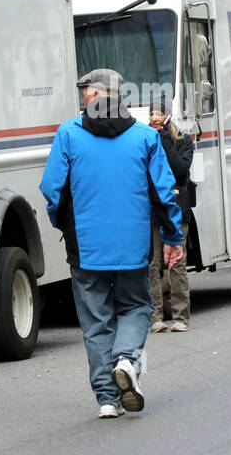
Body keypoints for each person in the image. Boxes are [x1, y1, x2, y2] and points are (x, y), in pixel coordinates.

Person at [39, 69, 184, 418]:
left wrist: (65, 225)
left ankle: (106, 399)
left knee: (96, 320)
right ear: (120, 97)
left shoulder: (68, 134)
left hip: (85, 246)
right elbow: (163, 193)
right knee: (136, 307)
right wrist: (172, 237)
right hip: (133, 246)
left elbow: (52, 190)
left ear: (91, 96)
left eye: (84, 92)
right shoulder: (145, 138)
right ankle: (126, 359)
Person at [147, 93, 194, 334]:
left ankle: (180, 316)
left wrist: (165, 141)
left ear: (167, 116)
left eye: (159, 114)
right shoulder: (143, 139)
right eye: (152, 114)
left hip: (176, 208)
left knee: (176, 263)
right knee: (153, 263)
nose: (154, 118)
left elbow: (180, 171)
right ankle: (155, 316)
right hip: (152, 210)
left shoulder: (182, 139)